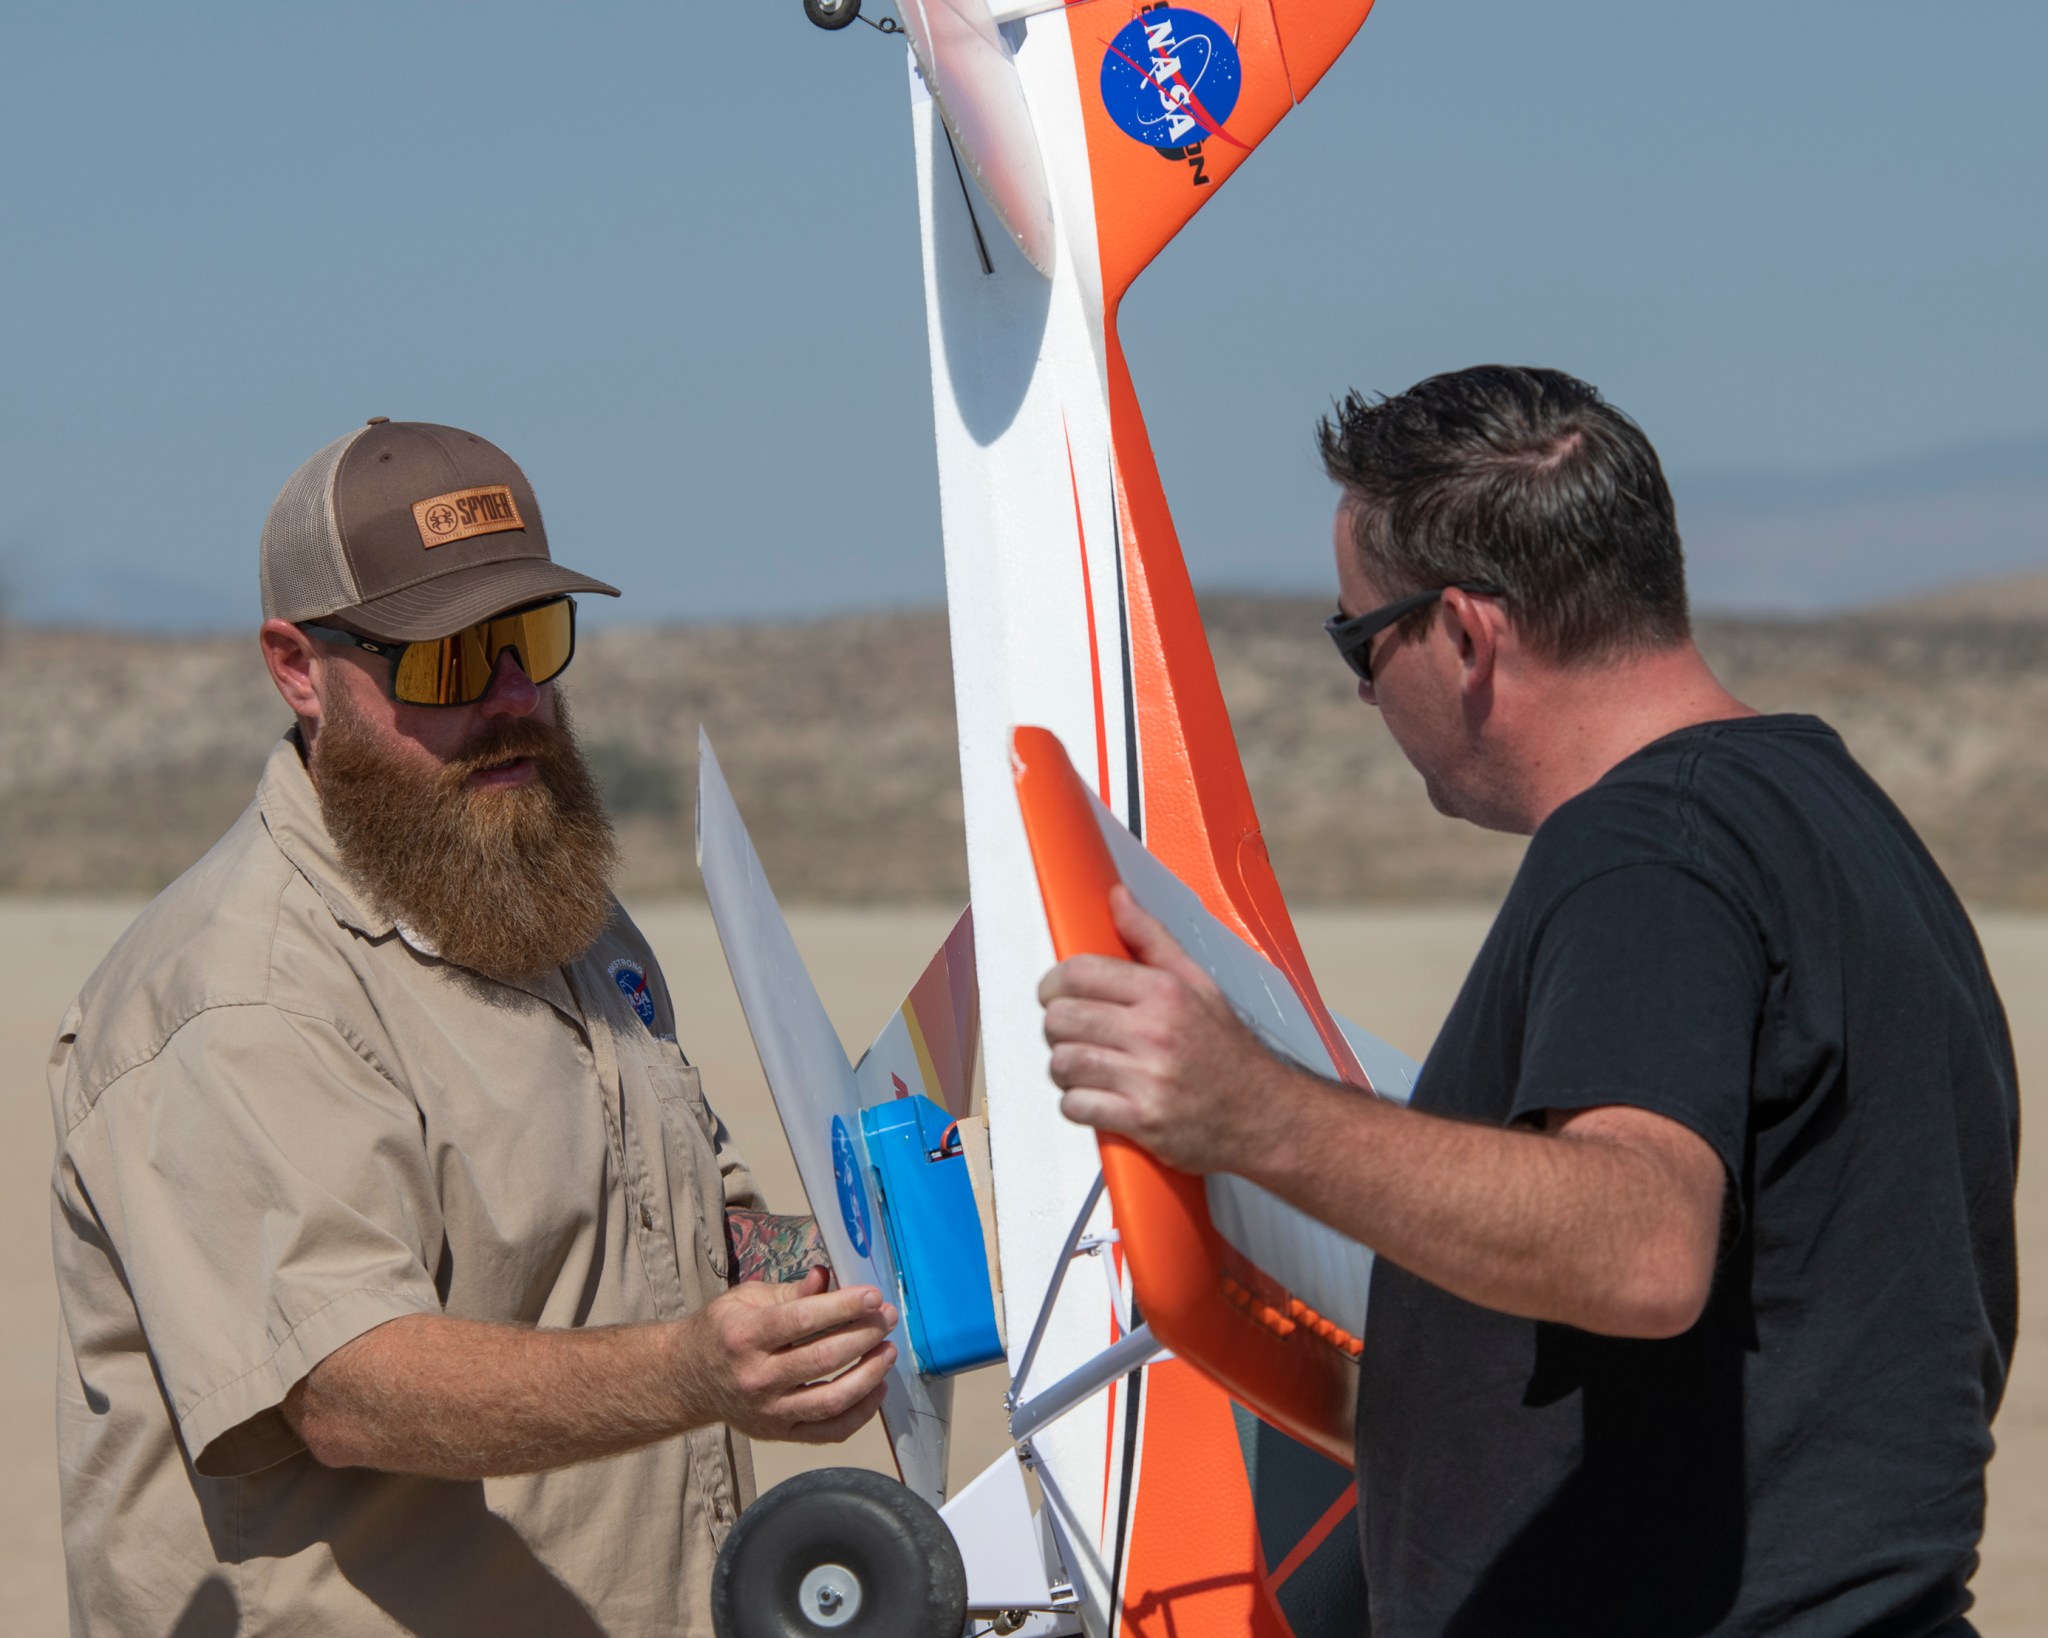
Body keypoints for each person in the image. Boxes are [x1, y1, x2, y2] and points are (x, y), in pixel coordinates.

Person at [1038, 367, 2019, 1635]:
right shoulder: (1824, 813)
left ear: (1464, 634)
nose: (1358, 689)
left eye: (1358, 640)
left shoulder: (1643, 852)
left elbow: (1640, 1242)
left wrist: (1251, 1114)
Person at [47, 418, 897, 1637]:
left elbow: (681, 1228)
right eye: (445, 660)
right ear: (298, 668)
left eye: (530, 641)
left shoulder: (549, 897)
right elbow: (351, 1386)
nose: (510, 699)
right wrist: (696, 1373)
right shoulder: (239, 997)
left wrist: (841, 1284)